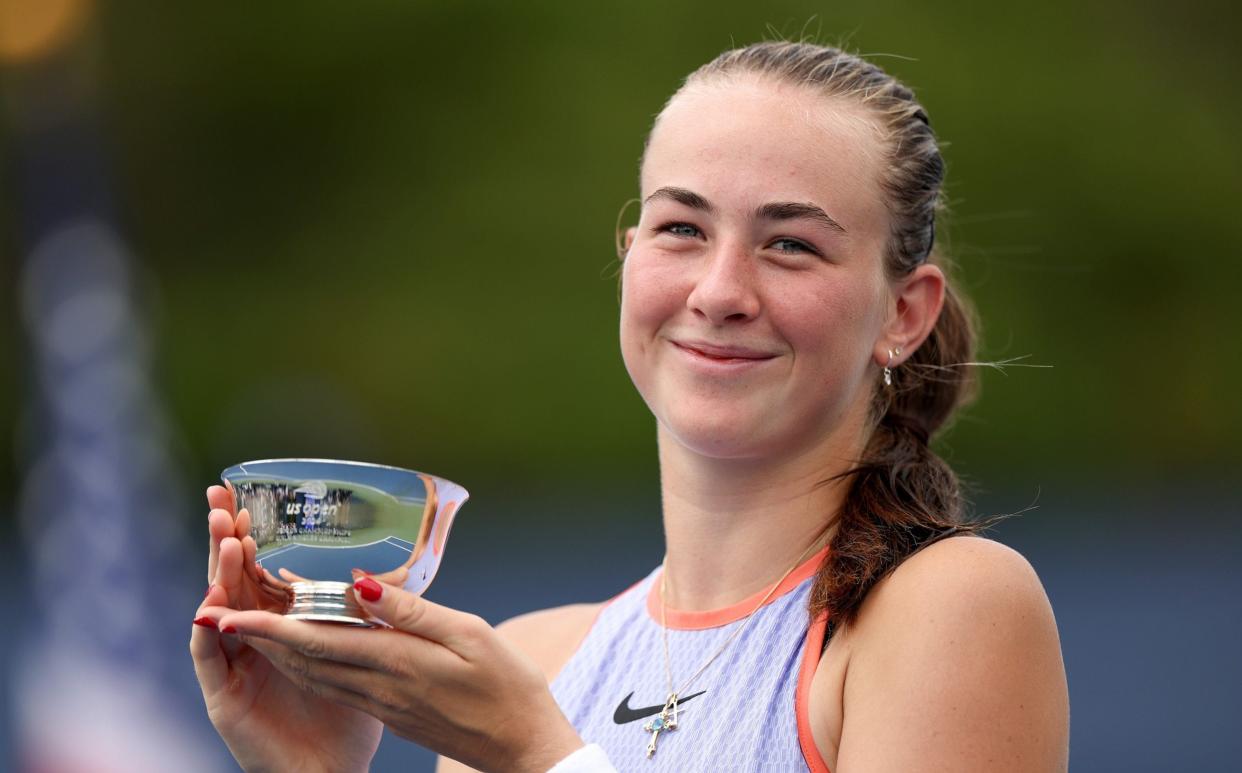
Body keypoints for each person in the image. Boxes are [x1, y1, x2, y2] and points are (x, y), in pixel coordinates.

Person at [192, 40, 1069, 772]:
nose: (720, 290)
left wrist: (543, 754)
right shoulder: (534, 662)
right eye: (681, 228)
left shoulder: (950, 608)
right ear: (630, 255)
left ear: (903, 313)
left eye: (791, 244)